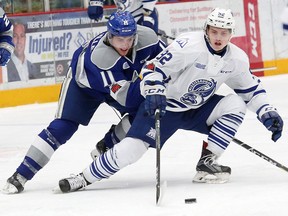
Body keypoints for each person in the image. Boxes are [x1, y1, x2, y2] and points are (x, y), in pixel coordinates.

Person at [56, 8, 284, 192]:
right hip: (164, 108)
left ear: (230, 34)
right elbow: (153, 67)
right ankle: (83, 178)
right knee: (130, 152)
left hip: (197, 109)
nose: (218, 37)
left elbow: (250, 89)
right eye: (214, 32)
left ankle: (207, 162)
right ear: (207, 30)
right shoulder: (188, 46)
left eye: (224, 33)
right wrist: (154, 90)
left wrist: (267, 111)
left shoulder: (237, 59)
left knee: (235, 105)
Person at [2, 11, 165, 194]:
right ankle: (21, 175)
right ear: (110, 36)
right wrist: (152, 87)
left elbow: (167, 60)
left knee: (144, 113)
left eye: (129, 38)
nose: (125, 44)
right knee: (63, 128)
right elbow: (128, 98)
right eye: (120, 39)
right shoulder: (102, 59)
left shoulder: (148, 37)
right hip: (83, 85)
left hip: (120, 83)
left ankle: (106, 145)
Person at [88, 0, 159, 33]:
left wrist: (147, 19)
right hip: (123, 19)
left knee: (148, 49)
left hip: (141, 18)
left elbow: (148, 8)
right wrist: (96, 4)